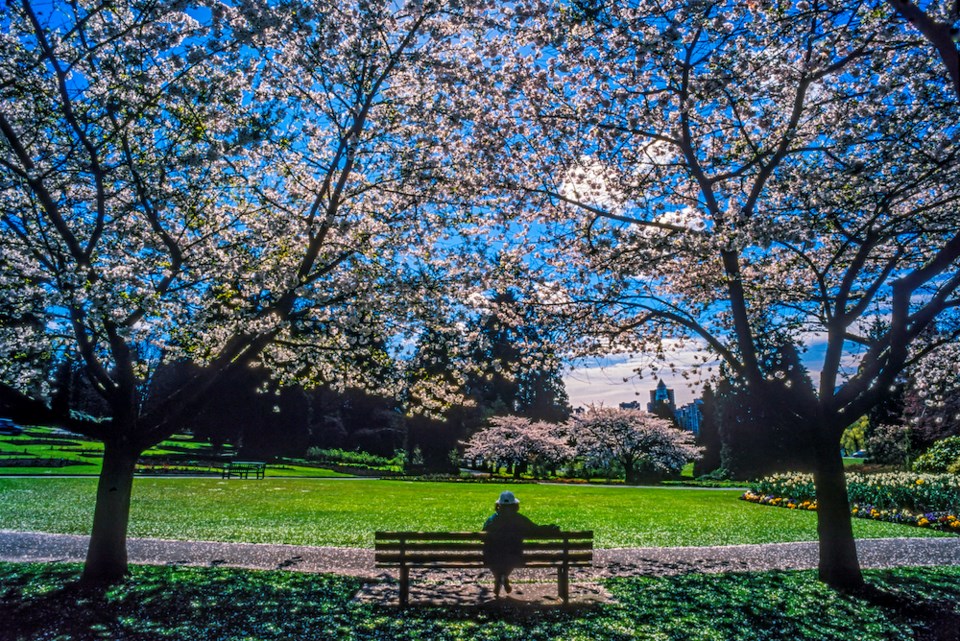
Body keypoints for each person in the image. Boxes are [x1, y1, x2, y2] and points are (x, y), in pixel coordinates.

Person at [482, 490, 559, 597]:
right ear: (515, 505)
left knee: (493, 555)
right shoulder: (520, 519)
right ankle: (503, 576)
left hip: (491, 557)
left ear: (499, 505)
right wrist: (551, 528)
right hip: (514, 556)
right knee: (512, 556)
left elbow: (483, 537)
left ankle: (499, 577)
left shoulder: (492, 520)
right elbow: (536, 530)